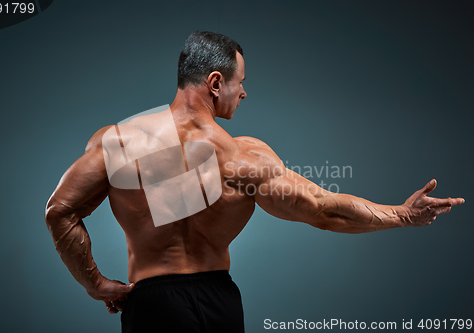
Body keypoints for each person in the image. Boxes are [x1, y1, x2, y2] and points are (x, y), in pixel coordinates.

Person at [44, 31, 465, 333]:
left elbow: (60, 211)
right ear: (215, 83)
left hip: (152, 304)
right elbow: (324, 210)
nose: (243, 93)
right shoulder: (245, 155)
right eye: (240, 82)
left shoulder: (117, 142)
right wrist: (403, 215)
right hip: (218, 301)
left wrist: (96, 284)